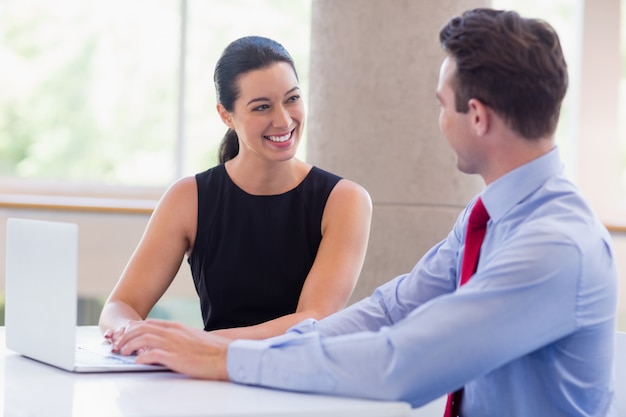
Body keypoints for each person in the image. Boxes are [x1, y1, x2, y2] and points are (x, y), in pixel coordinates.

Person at [110, 9, 619, 416]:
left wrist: (225, 356)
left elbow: (403, 363)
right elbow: (390, 310)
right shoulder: (489, 217)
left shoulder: (554, 245)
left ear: (478, 117)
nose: (439, 119)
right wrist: (228, 356)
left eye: (443, 104)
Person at [99, 36, 372, 341]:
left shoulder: (345, 200)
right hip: (207, 381)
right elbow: (119, 306)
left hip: (297, 381)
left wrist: (198, 344)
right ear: (226, 115)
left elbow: (314, 320)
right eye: (262, 107)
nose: (283, 120)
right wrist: (132, 333)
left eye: (292, 98)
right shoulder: (188, 198)